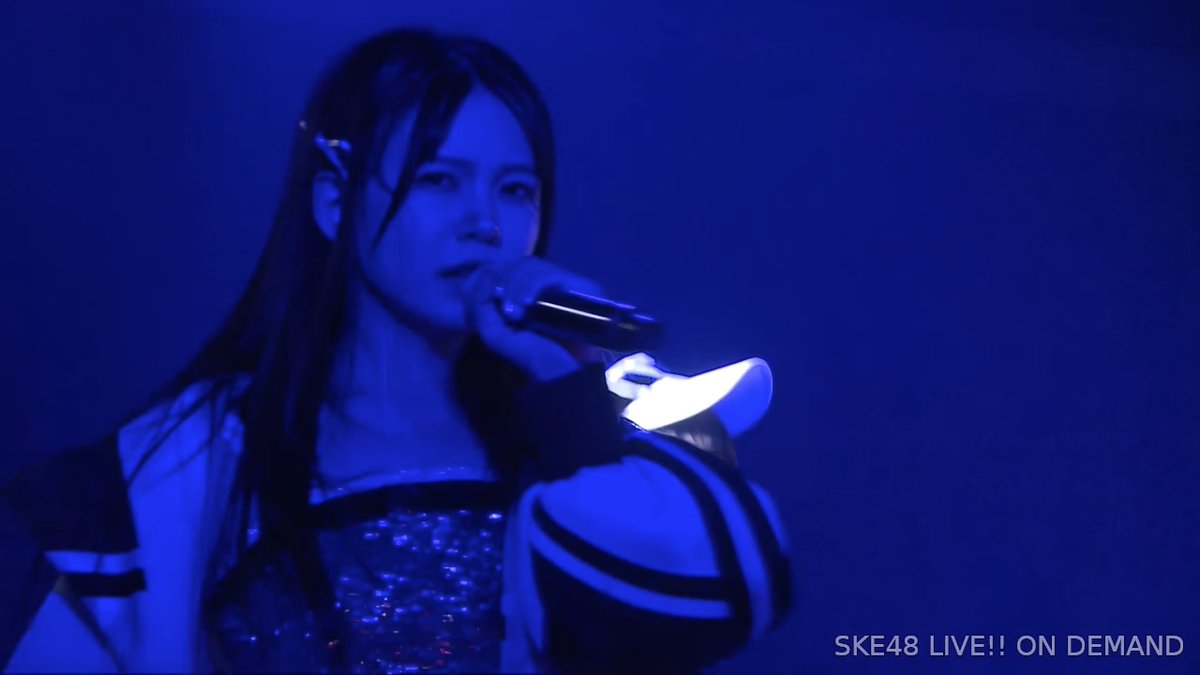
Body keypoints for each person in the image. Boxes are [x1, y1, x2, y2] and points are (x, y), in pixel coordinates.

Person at [0, 28, 791, 674]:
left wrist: (566, 375)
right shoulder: (190, 461)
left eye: (515, 189)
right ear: (334, 200)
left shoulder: (610, 403)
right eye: (440, 180)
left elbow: (723, 594)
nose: (485, 222)